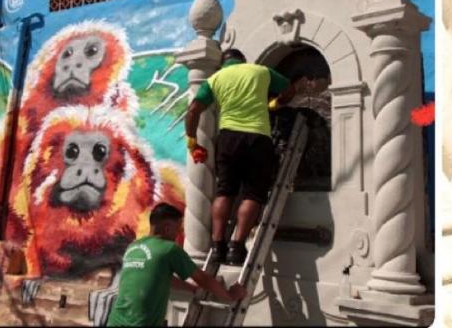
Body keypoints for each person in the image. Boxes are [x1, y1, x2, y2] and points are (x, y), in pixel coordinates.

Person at [184, 48, 312, 266]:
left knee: (225, 190)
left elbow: (194, 109)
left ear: (224, 63)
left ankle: (217, 246)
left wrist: (192, 141)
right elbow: (290, 90)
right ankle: (236, 246)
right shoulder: (261, 71)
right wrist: (275, 104)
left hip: (228, 139)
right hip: (258, 138)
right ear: (244, 60)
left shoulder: (215, 79)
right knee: (253, 194)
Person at [106, 203, 246, 326]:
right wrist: (229, 295)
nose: (179, 233)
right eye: (178, 228)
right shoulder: (169, 249)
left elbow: (158, 275)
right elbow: (202, 279)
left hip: (115, 321)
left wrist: (191, 288)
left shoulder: (134, 247)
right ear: (167, 228)